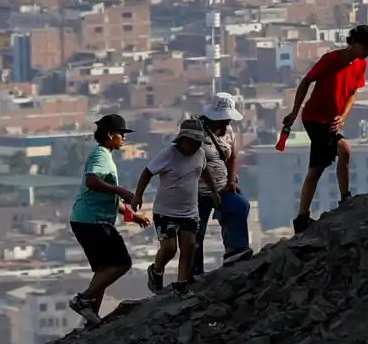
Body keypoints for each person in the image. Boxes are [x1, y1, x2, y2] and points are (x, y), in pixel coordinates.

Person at [279, 24, 368, 234]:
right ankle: (342, 200)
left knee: (319, 167)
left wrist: (342, 117)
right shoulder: (331, 60)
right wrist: (294, 112)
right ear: (353, 43)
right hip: (314, 118)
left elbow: (352, 93)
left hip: (329, 120)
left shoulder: (360, 64)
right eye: (367, 48)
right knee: (341, 151)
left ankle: (303, 217)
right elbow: (306, 82)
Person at [69, 114, 149, 326]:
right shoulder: (100, 155)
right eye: (121, 134)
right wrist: (121, 189)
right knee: (122, 263)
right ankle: (83, 300)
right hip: (93, 222)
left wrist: (132, 215)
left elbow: (108, 197)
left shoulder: (104, 155)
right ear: (109, 135)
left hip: (86, 220)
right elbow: (92, 181)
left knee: (104, 269)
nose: (124, 137)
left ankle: (91, 317)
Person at [133, 119, 216, 293]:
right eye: (191, 142)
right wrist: (138, 195)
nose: (194, 146)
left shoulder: (200, 154)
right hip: (166, 212)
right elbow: (147, 172)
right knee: (170, 248)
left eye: (198, 142)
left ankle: (182, 284)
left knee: (189, 247)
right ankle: (156, 270)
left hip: (189, 212)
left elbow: (205, 171)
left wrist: (214, 192)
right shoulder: (168, 154)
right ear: (182, 139)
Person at [194, 92, 253, 273]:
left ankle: (235, 249)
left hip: (222, 187)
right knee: (196, 232)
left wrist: (231, 180)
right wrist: (212, 191)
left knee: (239, 205)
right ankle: (193, 272)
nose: (227, 122)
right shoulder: (197, 132)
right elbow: (198, 165)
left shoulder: (228, 131)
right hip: (198, 191)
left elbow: (232, 156)